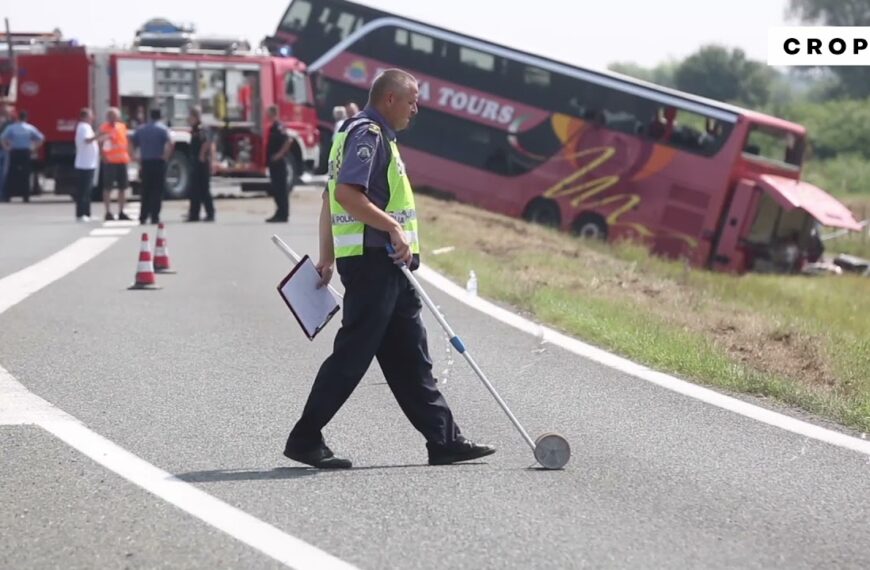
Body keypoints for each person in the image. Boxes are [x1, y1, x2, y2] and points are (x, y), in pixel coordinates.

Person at [283, 69, 496, 469]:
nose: (416, 109)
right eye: (412, 100)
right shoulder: (369, 136)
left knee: (410, 357)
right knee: (353, 354)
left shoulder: (349, 132)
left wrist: (327, 255)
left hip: (388, 265)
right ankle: (305, 437)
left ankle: (443, 440)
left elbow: (331, 200)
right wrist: (394, 227)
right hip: (374, 262)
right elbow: (346, 194)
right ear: (390, 100)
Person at [131, 108, 173, 225]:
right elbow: (170, 143)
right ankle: (155, 216)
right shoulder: (163, 129)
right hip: (158, 162)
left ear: (150, 116)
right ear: (160, 116)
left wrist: (134, 156)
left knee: (145, 190)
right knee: (157, 191)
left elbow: (132, 141)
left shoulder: (142, 129)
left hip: (145, 162)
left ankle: (143, 216)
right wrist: (165, 157)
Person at [0, 110, 44, 203]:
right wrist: (34, 148)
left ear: (18, 118)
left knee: (11, 174)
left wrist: (6, 147)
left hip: (14, 152)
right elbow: (41, 138)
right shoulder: (30, 128)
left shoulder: (11, 128)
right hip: (25, 152)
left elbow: (2, 138)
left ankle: (8, 195)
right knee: (25, 174)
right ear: (26, 118)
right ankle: (25, 196)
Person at [99, 107, 132, 221]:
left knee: (123, 188)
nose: (113, 118)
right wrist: (103, 157)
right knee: (108, 187)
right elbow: (101, 143)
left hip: (122, 161)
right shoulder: (104, 128)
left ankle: (121, 211)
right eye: (110, 116)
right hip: (110, 162)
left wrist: (130, 155)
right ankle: (108, 212)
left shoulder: (122, 127)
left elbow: (126, 142)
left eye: (115, 115)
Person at [73, 108, 104, 221]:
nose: (93, 118)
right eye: (91, 116)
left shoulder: (87, 127)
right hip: (84, 164)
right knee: (83, 191)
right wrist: (98, 135)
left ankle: (87, 213)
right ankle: (81, 214)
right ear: (85, 116)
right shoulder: (83, 127)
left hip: (89, 163)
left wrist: (100, 138)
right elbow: (87, 140)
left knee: (88, 190)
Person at [186, 106, 215, 222]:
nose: (189, 118)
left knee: (204, 189)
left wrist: (202, 155)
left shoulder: (201, 128)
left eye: (191, 116)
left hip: (201, 162)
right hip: (195, 161)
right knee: (194, 190)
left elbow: (207, 142)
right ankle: (194, 214)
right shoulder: (194, 128)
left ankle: (210, 213)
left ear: (195, 117)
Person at [265, 105, 291, 223]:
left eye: (268, 113)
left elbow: (288, 140)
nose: (267, 115)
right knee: (276, 189)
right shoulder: (273, 127)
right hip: (274, 164)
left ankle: (283, 214)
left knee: (281, 190)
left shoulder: (279, 126)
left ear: (273, 113)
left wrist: (279, 155)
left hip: (279, 164)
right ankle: (279, 212)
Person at [0, 100, 12, 202]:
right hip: (4, 150)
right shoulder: (7, 123)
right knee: (3, 174)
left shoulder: (8, 122)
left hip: (4, 150)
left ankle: (3, 194)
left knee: (4, 173)